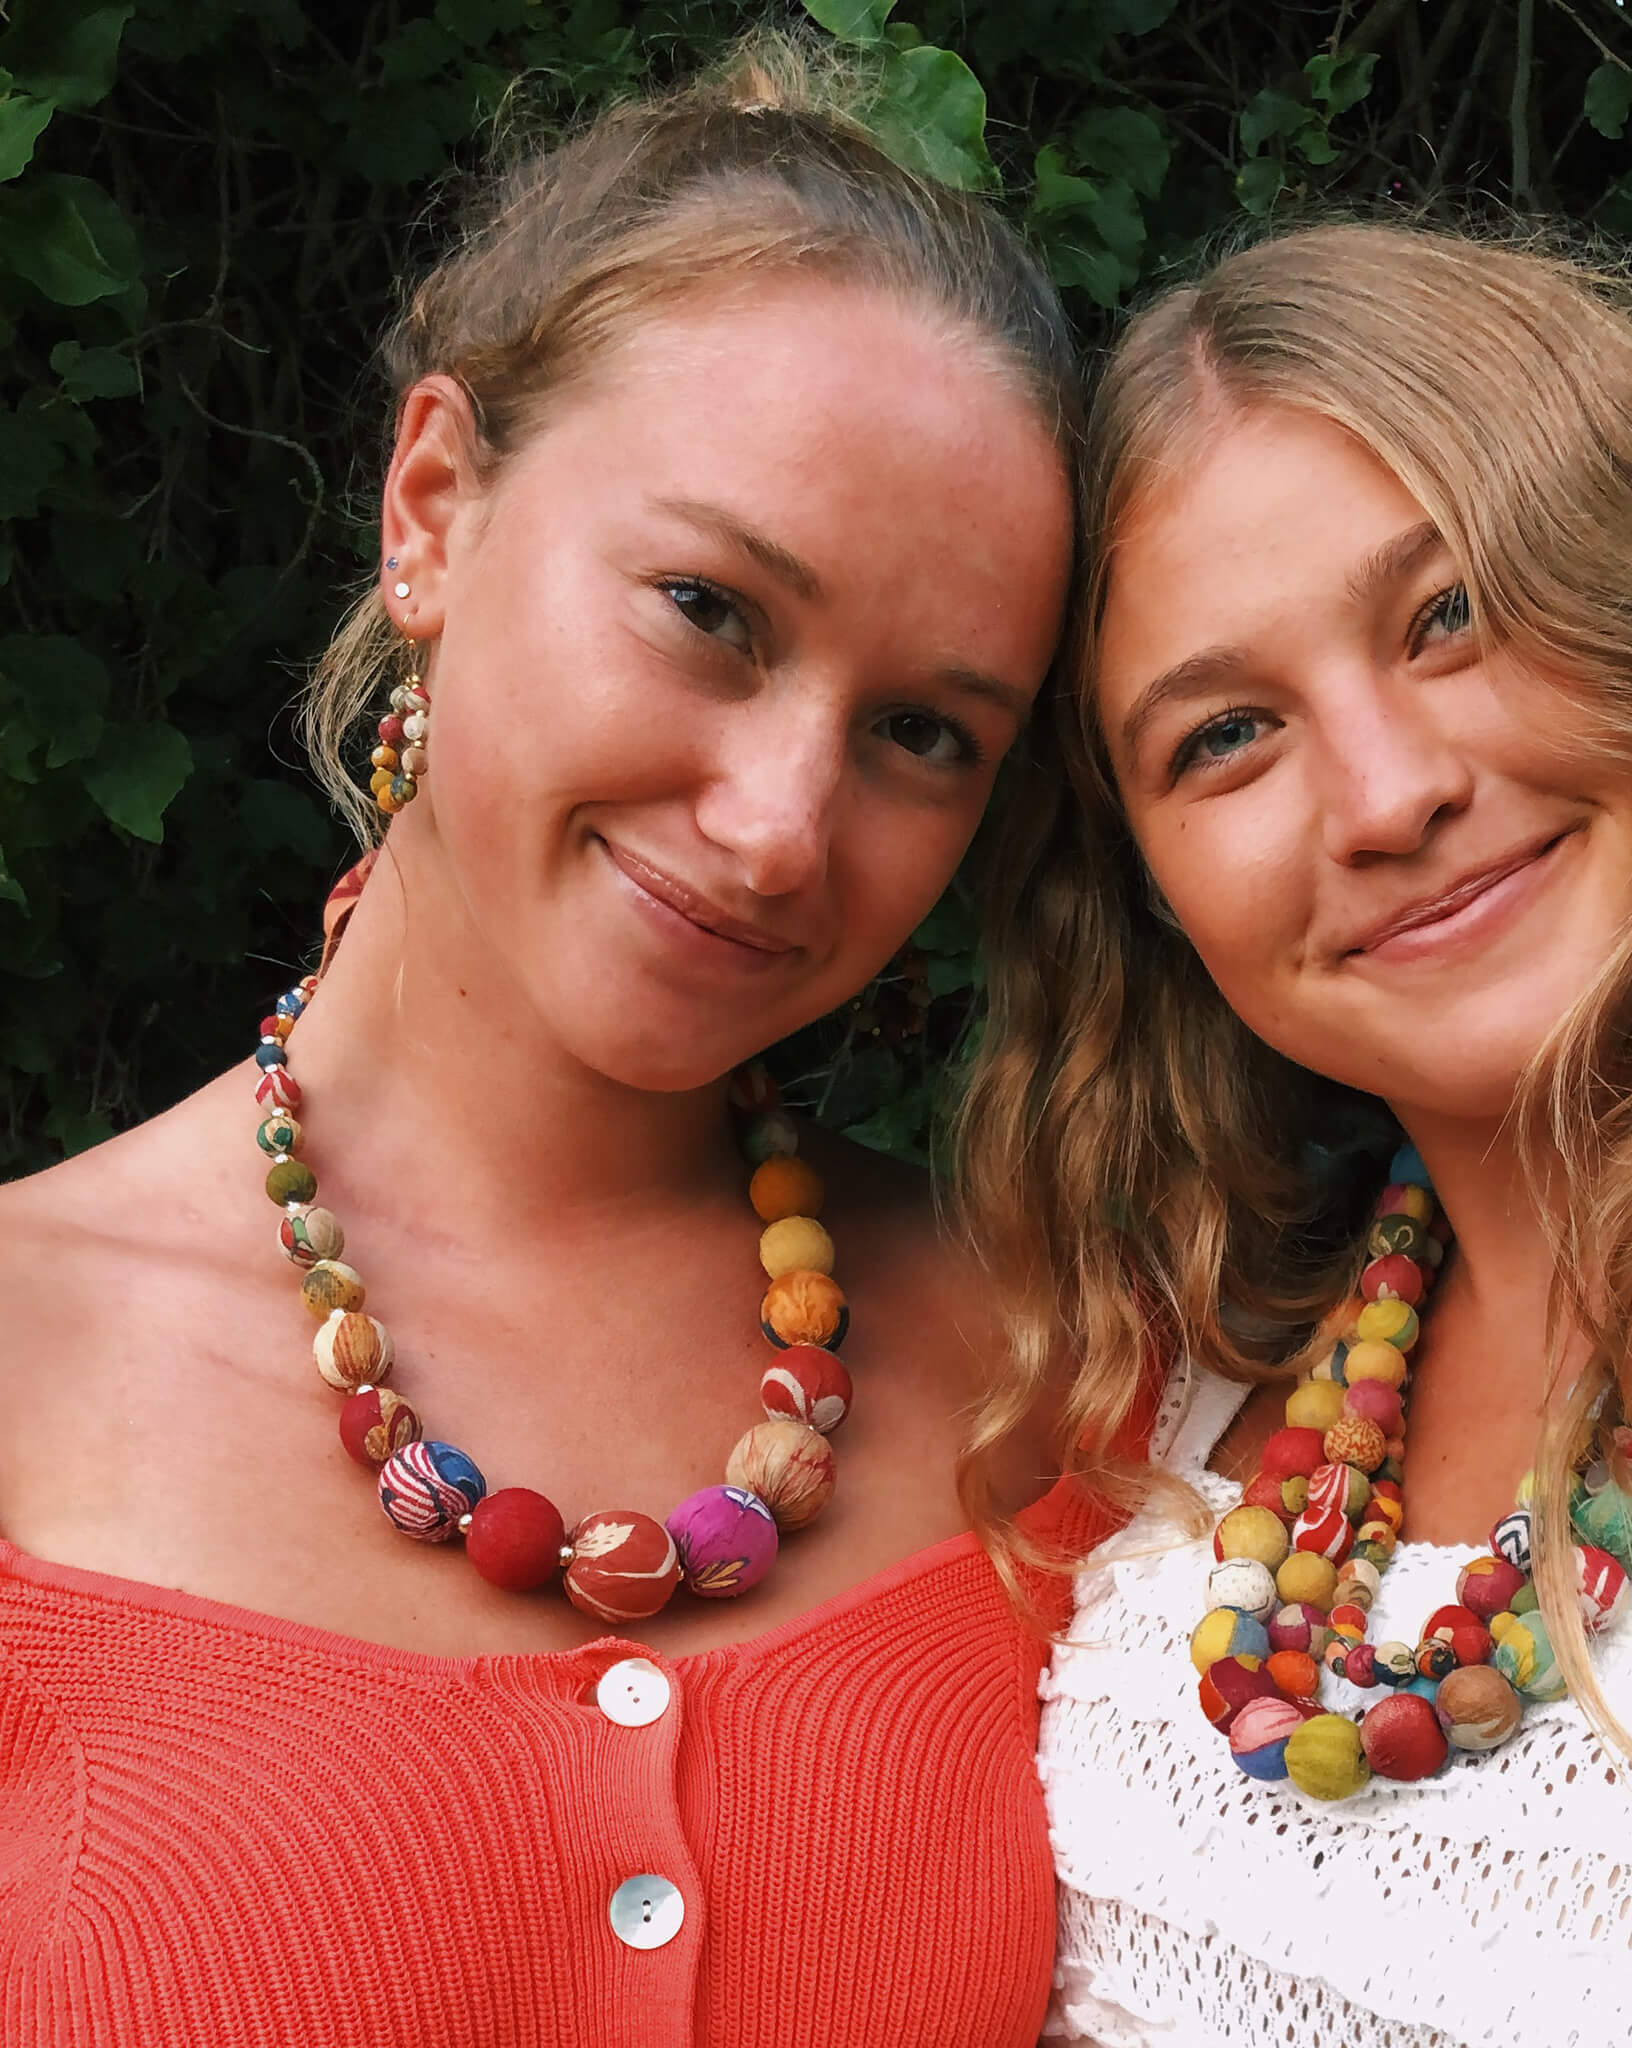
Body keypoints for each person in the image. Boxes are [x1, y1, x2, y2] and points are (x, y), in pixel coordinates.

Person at [0, 43, 1089, 2048]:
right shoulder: (23, 1354)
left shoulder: (1062, 1367)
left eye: (924, 732)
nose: (780, 823)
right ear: (432, 509)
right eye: (710, 608)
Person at [959, 222, 1632, 2044]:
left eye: (1452, 613)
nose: (1389, 793)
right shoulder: (1178, 1383)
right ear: (1143, 886)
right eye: (1226, 734)